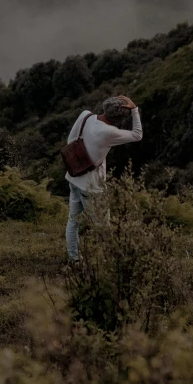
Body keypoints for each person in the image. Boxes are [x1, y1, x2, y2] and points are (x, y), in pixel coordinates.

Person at [65, 95, 143, 262]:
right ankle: (107, 263)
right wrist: (135, 110)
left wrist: (85, 157)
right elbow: (137, 135)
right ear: (120, 119)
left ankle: (74, 259)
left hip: (73, 177)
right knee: (102, 227)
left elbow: (70, 140)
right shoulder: (109, 132)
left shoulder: (85, 115)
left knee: (73, 222)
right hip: (92, 186)